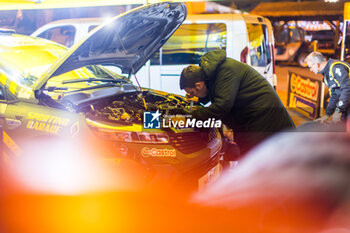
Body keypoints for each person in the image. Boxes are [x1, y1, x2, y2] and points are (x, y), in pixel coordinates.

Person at [179, 49, 295, 154]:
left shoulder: (226, 71)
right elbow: (216, 91)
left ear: (198, 85)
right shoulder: (214, 73)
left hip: (264, 117)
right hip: (253, 117)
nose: (192, 96)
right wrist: (199, 100)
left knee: (253, 159)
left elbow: (221, 108)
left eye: (192, 93)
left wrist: (188, 118)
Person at [305, 51, 350, 123]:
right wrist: (327, 115)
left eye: (310, 67)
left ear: (317, 64)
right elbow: (334, 95)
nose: (310, 70)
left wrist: (338, 110)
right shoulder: (326, 76)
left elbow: (347, 89)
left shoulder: (336, 68)